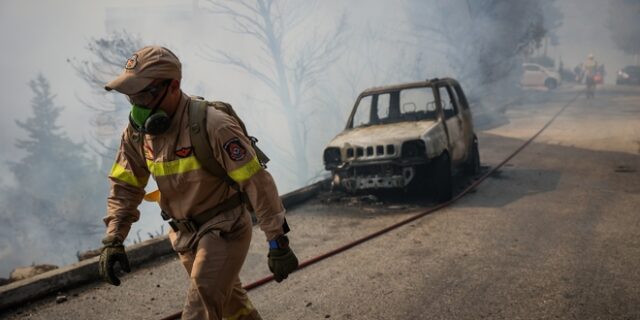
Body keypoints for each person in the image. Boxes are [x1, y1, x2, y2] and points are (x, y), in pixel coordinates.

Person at [98, 46, 298, 320]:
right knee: (232, 308)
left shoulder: (213, 125)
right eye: (132, 96)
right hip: (184, 237)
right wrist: (114, 238)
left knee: (200, 309)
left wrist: (277, 240)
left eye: (145, 94)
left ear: (173, 86)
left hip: (224, 229)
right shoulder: (137, 135)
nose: (137, 105)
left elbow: (257, 183)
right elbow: (125, 186)